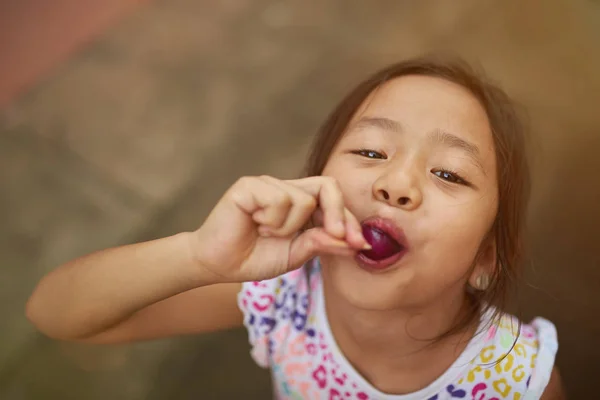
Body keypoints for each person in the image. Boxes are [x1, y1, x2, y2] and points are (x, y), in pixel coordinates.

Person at [26, 55, 565, 399]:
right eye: (371, 150)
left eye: (449, 173)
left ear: (486, 259)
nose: (395, 183)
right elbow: (58, 314)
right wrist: (198, 258)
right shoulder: (281, 294)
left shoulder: (518, 379)